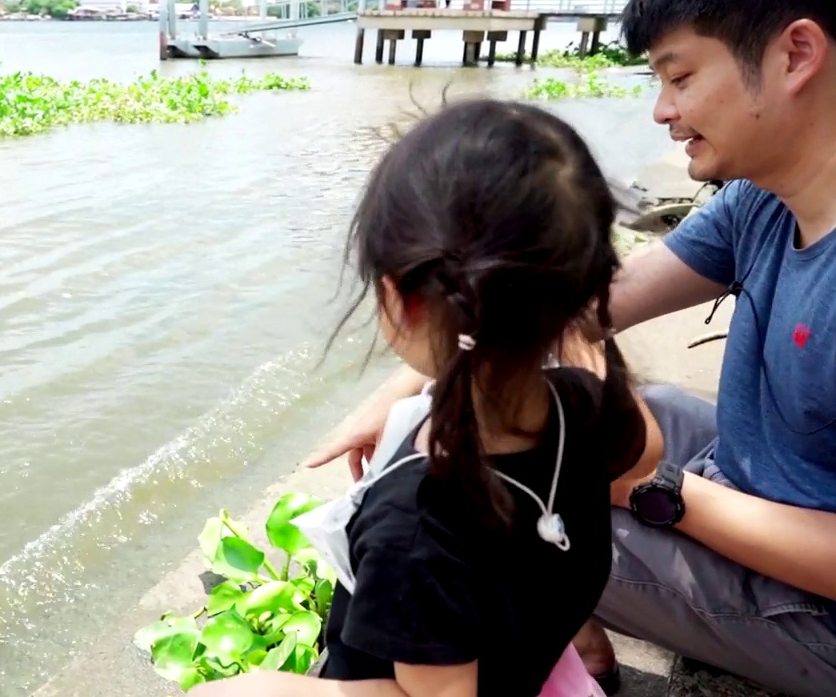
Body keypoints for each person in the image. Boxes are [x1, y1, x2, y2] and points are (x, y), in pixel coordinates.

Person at [310, 0, 836, 695]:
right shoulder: (764, 198)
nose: (663, 111)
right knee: (577, 439)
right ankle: (574, 649)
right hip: (767, 479)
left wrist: (657, 492)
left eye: (680, 76)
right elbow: (560, 303)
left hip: (818, 605)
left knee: (507, 523)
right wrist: (411, 392)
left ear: (796, 54)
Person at [191, 98, 654, 697]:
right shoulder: (586, 403)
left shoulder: (416, 524)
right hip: (530, 661)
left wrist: (257, 689)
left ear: (398, 296)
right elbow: (645, 452)